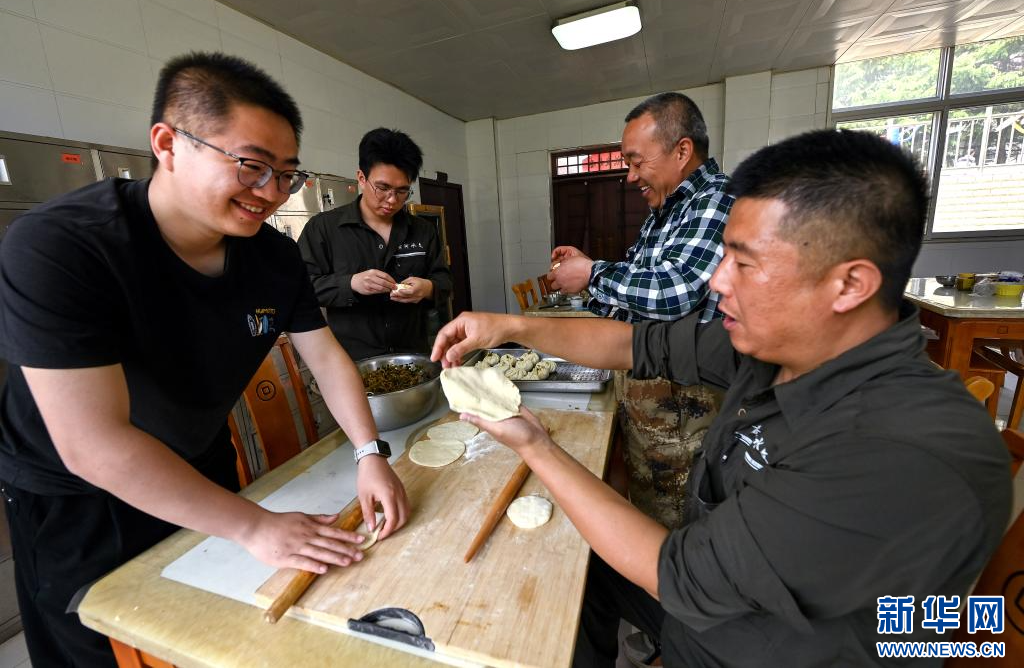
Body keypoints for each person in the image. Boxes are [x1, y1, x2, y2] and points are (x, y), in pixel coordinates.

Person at [432, 129, 1011, 667]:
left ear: (849, 284)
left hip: (749, 650)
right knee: (572, 565)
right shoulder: (779, 350)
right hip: (710, 607)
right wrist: (510, 326)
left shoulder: (895, 451)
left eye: (745, 262)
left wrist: (536, 446)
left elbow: (682, 578)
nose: (717, 281)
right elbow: (635, 343)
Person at [0, 52, 409, 668]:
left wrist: (369, 454)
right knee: (102, 645)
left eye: (286, 175)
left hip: (199, 462)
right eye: (251, 166)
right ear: (168, 144)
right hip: (77, 499)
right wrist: (253, 526)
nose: (270, 193)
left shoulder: (272, 257)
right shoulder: (63, 246)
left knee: (215, 624)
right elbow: (93, 445)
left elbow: (325, 357)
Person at [552, 93, 735, 531]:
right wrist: (589, 274)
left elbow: (676, 292)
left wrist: (593, 273)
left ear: (682, 151)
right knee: (648, 514)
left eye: (637, 161)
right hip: (652, 408)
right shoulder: (664, 212)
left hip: (683, 413)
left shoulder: (715, 198)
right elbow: (635, 297)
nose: (631, 176)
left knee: (676, 529)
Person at [297, 128, 452, 361]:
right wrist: (351, 283)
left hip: (413, 355)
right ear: (361, 178)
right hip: (352, 361)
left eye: (402, 191)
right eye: (383, 188)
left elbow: (445, 281)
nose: (392, 200)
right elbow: (302, 287)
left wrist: (428, 288)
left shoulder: (423, 230)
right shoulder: (324, 228)